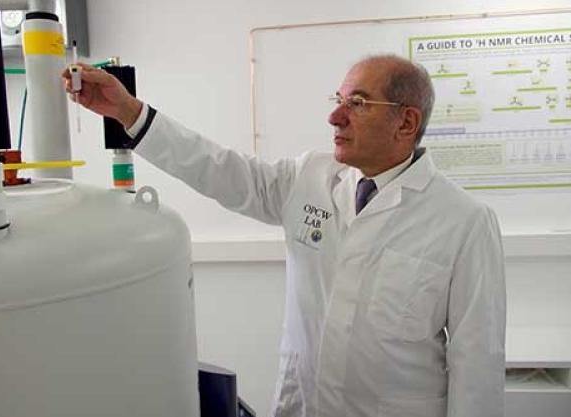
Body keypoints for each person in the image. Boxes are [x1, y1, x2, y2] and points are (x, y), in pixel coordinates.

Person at [63, 54, 506, 417]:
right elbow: (220, 169)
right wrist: (129, 113)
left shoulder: (463, 221)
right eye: (339, 99)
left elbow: (477, 366)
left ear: (406, 123)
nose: (335, 116)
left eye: (357, 103)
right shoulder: (310, 177)